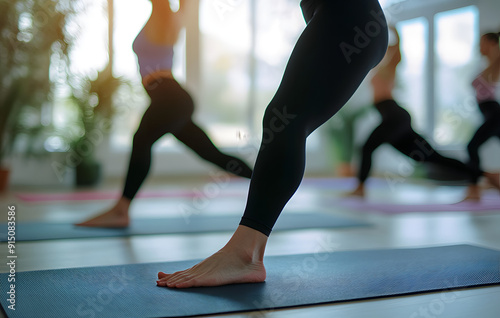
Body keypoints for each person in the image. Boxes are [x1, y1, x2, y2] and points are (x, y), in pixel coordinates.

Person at [156, 0, 389, 288]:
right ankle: (247, 252)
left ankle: (246, 254)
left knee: (285, 118)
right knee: (284, 118)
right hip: (342, 17)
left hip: (349, 15)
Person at [76, 0, 253, 228]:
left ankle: (121, 210)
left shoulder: (164, 16)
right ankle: (266, 181)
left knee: (141, 141)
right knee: (210, 153)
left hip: (170, 98)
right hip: (174, 99)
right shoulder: (170, 18)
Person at [347, 26, 500, 199]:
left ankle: (360, 189)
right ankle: (487, 175)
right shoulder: (379, 68)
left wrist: (392, 29)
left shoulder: (389, 67)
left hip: (394, 117)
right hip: (396, 120)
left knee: (367, 148)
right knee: (430, 157)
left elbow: (397, 51)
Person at [465, 31, 500, 200]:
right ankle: (491, 181)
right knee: (472, 147)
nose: (479, 46)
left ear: (492, 44)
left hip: (494, 113)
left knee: (471, 147)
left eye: (482, 42)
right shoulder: (486, 64)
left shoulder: (496, 62)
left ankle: (474, 189)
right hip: (490, 113)